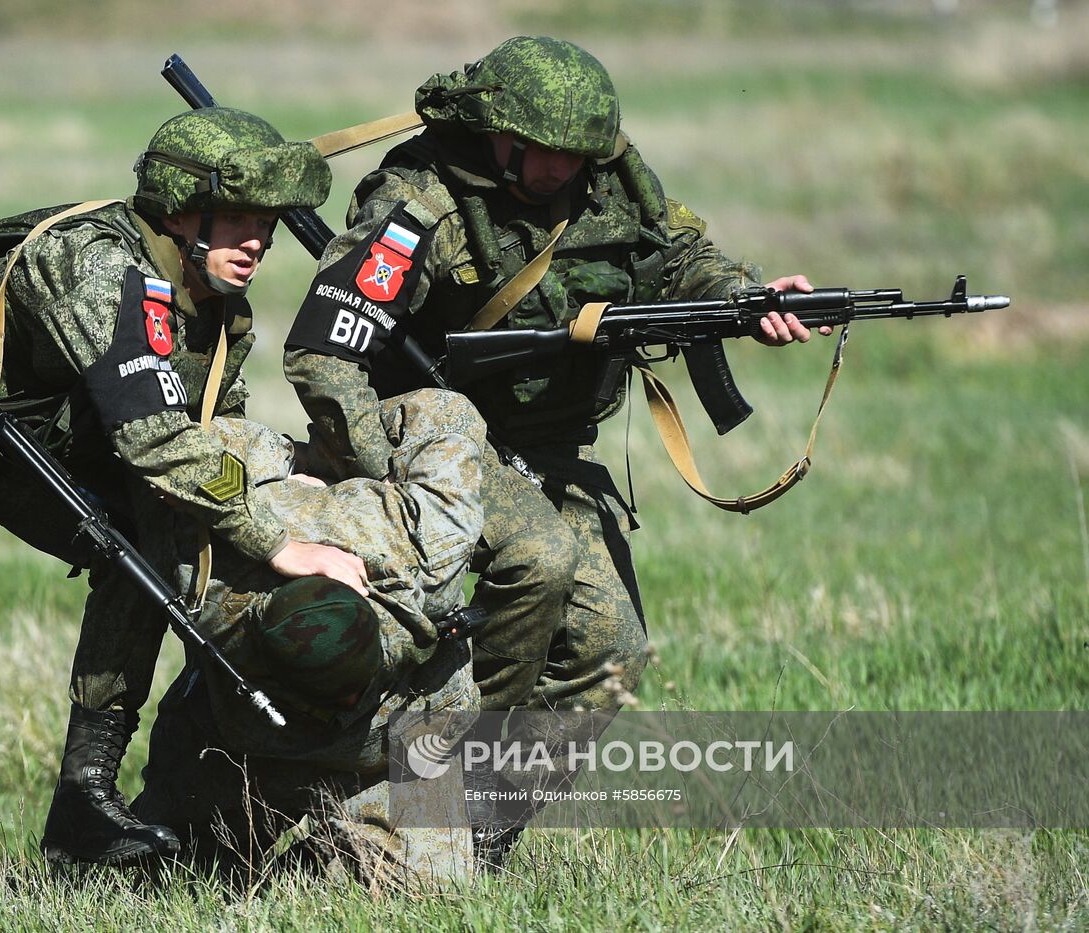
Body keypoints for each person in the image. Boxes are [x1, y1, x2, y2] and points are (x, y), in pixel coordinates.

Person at [0, 107, 368, 877]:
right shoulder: (102, 271)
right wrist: (280, 541)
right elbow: (156, 441)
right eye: (241, 218)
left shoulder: (212, 309)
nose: (258, 239)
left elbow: (209, 438)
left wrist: (291, 484)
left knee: (141, 544)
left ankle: (82, 802)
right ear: (183, 209)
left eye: (270, 222)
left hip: (16, 450)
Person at [283, 36, 825, 853]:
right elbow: (324, 354)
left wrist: (743, 298)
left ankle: (479, 833)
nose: (553, 172)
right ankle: (417, 809)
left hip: (547, 449)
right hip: (438, 438)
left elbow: (677, 253)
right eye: (536, 153)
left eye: (572, 157)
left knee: (612, 649)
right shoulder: (420, 198)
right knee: (536, 559)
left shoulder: (611, 179)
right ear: (494, 128)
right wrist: (394, 475)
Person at [131, 389, 487, 888]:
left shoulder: (427, 549)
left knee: (432, 889)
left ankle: (331, 853)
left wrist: (336, 450)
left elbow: (446, 410)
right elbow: (177, 450)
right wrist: (280, 464)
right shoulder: (204, 578)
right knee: (173, 877)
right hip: (240, 742)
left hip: (390, 748)